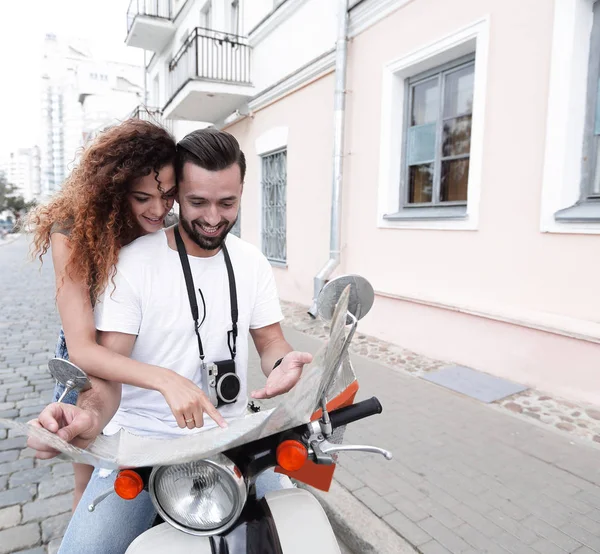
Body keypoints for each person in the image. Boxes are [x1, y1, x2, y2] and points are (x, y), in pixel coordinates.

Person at [28, 128, 313, 554]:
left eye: (227, 202)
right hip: (143, 445)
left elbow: (271, 343)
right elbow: (104, 368)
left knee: (301, 537)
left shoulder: (252, 262)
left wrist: (284, 363)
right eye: (198, 202)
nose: (214, 217)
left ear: (241, 193)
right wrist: (88, 418)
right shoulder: (131, 261)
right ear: (181, 193)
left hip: (231, 439)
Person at [26, 120, 228, 511]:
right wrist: (165, 380)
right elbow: (84, 349)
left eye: (168, 196)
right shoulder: (72, 232)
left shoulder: (168, 225)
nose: (158, 210)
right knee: (92, 478)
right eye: (142, 198)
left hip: (145, 344)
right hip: (96, 352)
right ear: (114, 191)